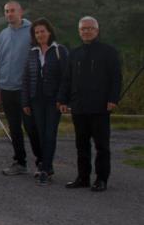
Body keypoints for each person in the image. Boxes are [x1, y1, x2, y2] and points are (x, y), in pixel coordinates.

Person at [58, 16, 122, 192]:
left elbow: (116, 78)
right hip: (79, 106)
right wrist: (62, 99)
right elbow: (67, 79)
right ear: (79, 32)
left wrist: (113, 99)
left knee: (102, 146)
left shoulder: (108, 52)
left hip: (100, 106)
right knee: (81, 145)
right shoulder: (75, 53)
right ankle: (83, 177)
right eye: (83, 29)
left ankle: (101, 179)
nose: (86, 31)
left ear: (97, 30)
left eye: (90, 28)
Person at [20, 19, 68, 185]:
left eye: (43, 31)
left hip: (53, 100)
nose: (40, 34)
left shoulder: (59, 51)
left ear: (49, 32)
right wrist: (25, 101)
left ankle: (45, 170)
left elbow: (66, 78)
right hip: (36, 100)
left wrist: (62, 99)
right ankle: (46, 165)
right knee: (40, 134)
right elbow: (26, 78)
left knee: (50, 134)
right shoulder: (32, 52)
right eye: (37, 32)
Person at [0, 1, 40, 176]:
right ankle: (20, 162)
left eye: (12, 11)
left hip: (25, 88)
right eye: (6, 11)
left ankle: (41, 163)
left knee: (31, 127)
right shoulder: (2, 34)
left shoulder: (32, 32)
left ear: (20, 11)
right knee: (14, 128)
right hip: (6, 87)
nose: (9, 14)